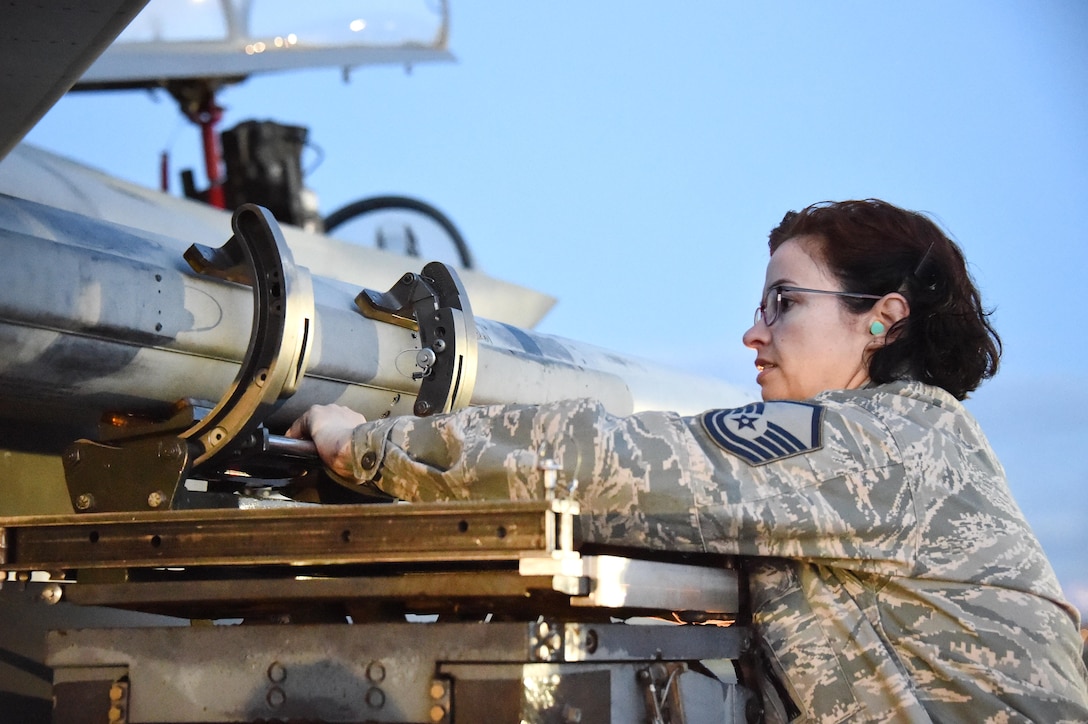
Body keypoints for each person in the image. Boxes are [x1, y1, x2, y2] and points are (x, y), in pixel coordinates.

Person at [288, 199, 1088, 722]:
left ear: (881, 321)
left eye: (785, 302)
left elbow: (612, 464)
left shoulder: (876, 444)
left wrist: (364, 444)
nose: (755, 331)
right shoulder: (916, 443)